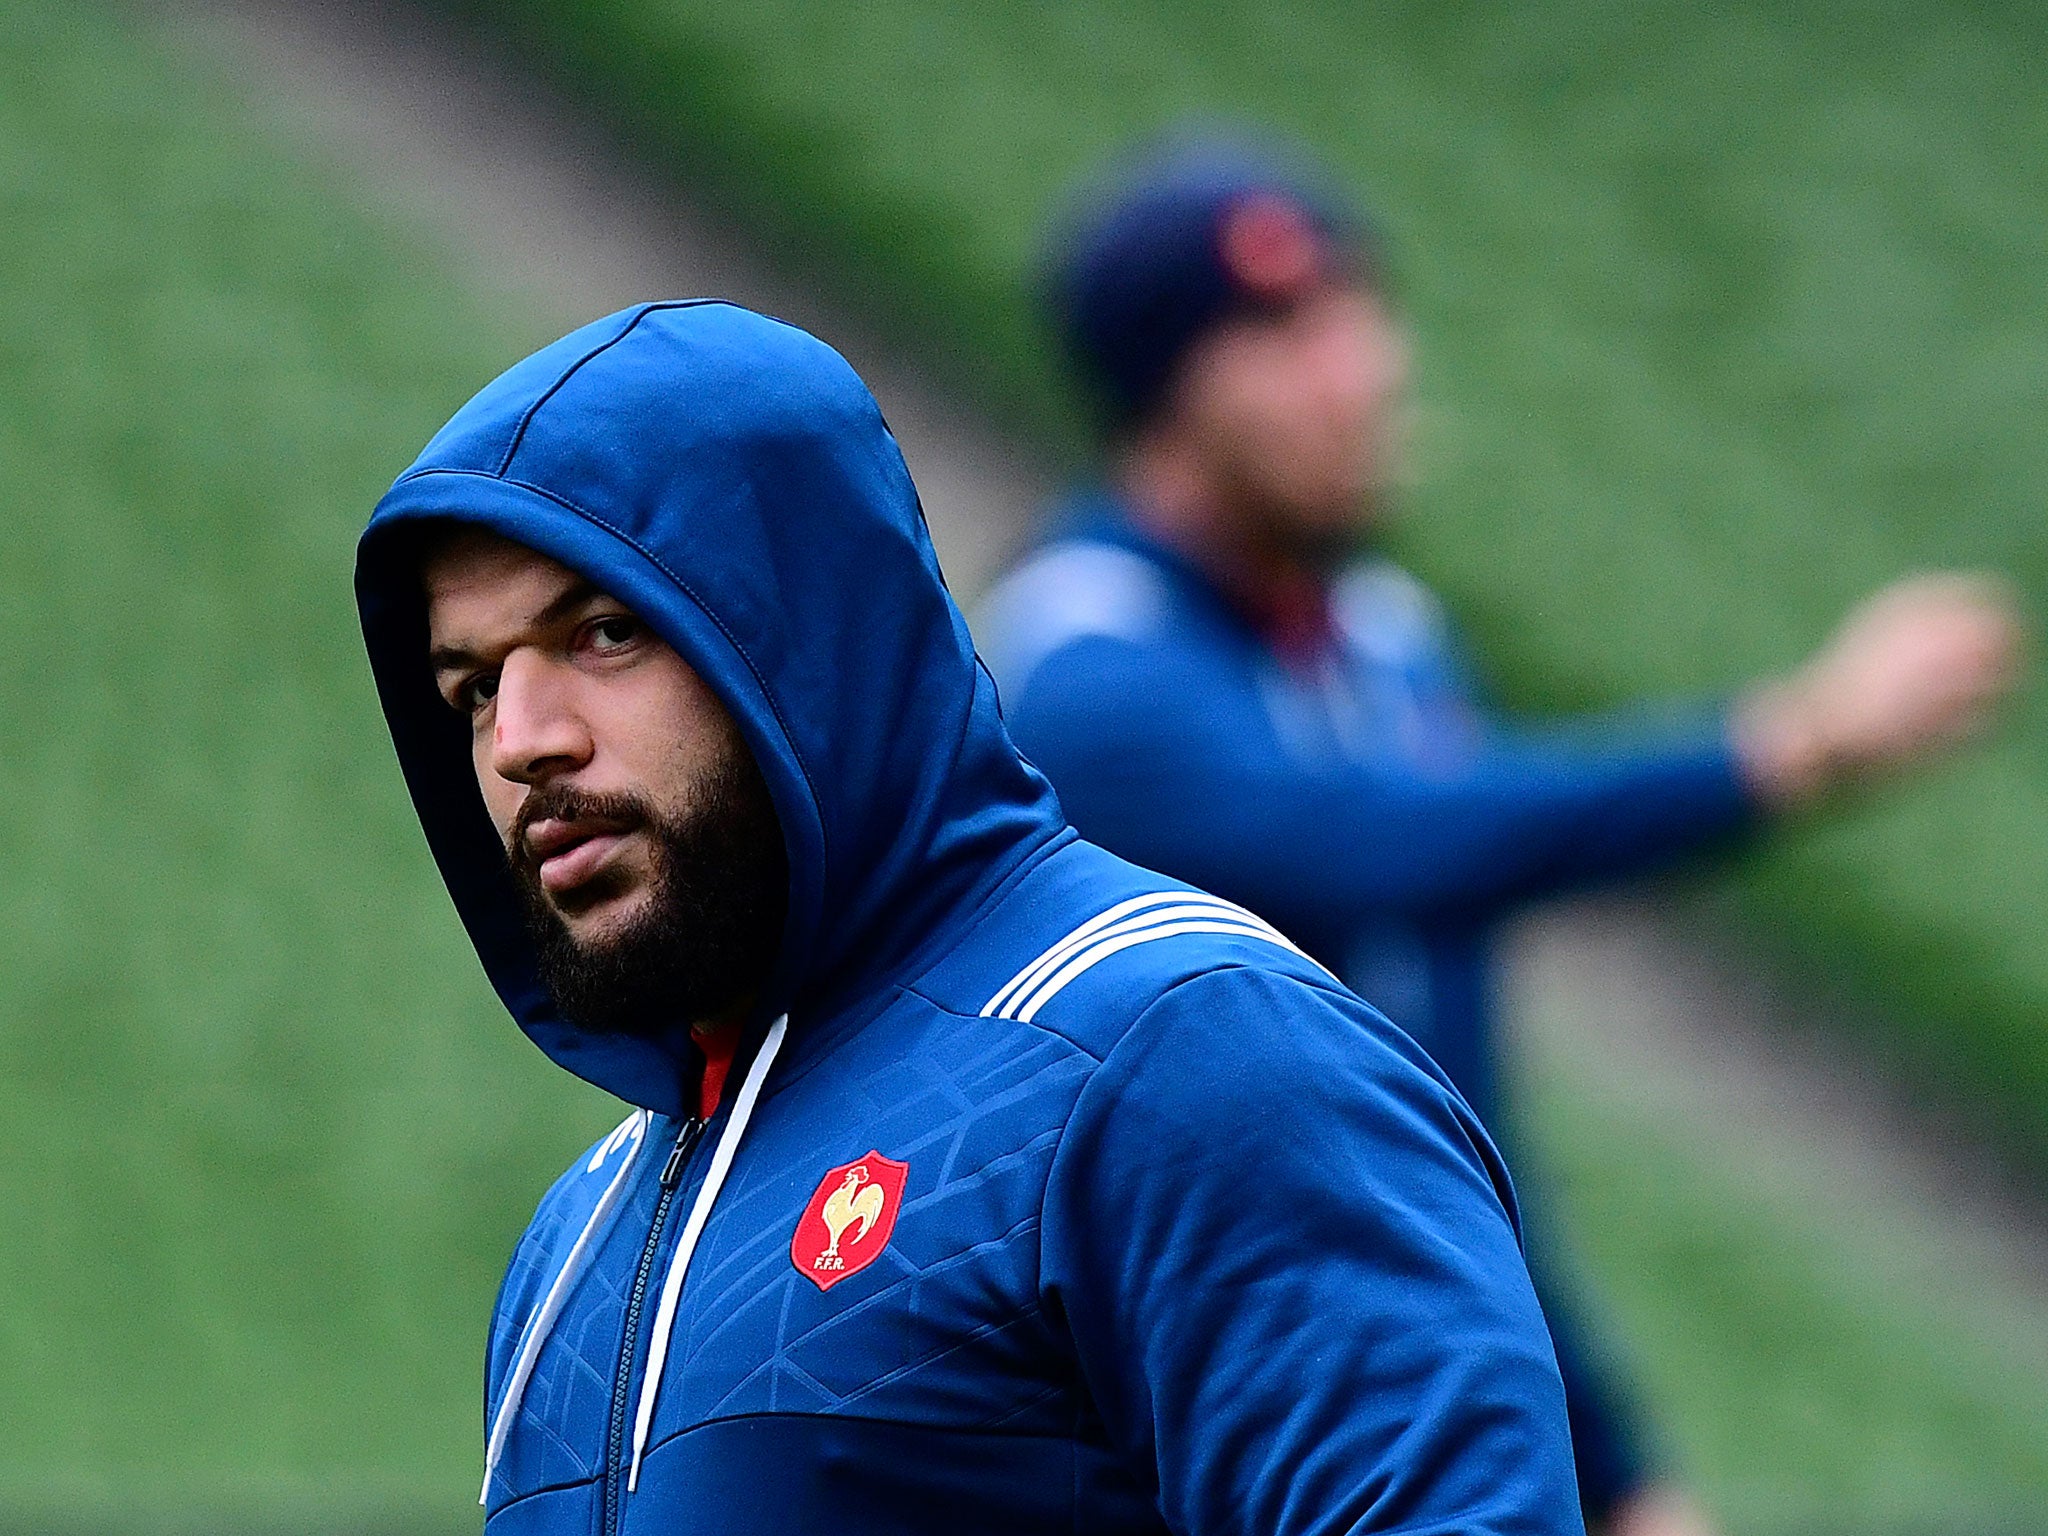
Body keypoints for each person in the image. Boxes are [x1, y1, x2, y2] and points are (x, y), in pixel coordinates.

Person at [354, 300, 1588, 1534]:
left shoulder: (1183, 1055)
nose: (520, 742)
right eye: (471, 687)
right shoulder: (572, 1251)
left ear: (804, 634)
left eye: (605, 633)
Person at [978, 140, 2021, 1536]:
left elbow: (1459, 1125)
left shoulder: (1388, 649)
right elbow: (1367, 848)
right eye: (1284, 335)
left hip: (1391, 1410)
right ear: (1164, 397)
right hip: (1158, 1424)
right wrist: (1785, 746)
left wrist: (1623, 1477)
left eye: (1359, 313)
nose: (1363, 372)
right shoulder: (1080, 657)